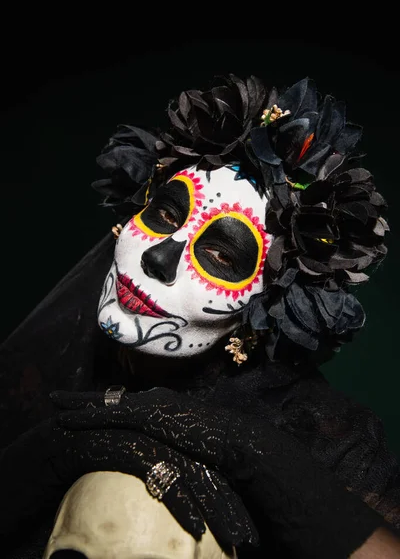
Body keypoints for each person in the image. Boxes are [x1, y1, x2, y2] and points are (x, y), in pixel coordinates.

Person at [0, 75, 399, 557]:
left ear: (271, 303)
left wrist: (251, 454)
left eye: (223, 257)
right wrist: (56, 453)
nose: (159, 258)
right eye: (165, 215)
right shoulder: (50, 359)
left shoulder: (328, 437)